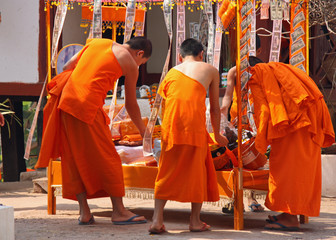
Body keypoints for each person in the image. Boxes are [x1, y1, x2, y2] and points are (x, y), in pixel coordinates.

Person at [35, 37, 152, 225]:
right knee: (109, 157)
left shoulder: (97, 42)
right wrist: (145, 133)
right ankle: (119, 211)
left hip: (66, 102)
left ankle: (85, 212)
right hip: (87, 107)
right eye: (142, 62)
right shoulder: (130, 62)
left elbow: (67, 66)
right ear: (139, 54)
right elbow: (131, 104)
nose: (138, 65)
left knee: (73, 157)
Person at [223, 56, 335, 230]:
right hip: (307, 118)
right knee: (301, 167)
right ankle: (288, 213)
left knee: (287, 167)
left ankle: (291, 218)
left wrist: (260, 142)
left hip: (297, 123)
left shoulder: (257, 74)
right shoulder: (277, 69)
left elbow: (266, 111)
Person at [149, 38, 228, 234]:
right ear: (202, 54)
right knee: (197, 173)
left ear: (180, 56)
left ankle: (157, 220)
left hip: (171, 128)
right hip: (194, 126)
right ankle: (194, 221)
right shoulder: (210, 69)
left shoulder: (170, 73)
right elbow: (215, 110)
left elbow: (162, 106)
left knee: (166, 172)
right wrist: (217, 134)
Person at [221, 35, 265, 213]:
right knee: (236, 158)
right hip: (239, 119)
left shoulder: (262, 68)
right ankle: (235, 198)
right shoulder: (235, 70)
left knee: (253, 159)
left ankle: (251, 196)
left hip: (258, 118)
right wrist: (221, 116)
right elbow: (227, 98)